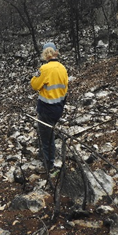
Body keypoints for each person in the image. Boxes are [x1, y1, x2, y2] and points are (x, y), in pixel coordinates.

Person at [30, 42, 68, 172]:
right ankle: (47, 157)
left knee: (46, 138)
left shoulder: (44, 69)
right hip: (58, 108)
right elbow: (65, 89)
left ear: (45, 54)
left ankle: (49, 165)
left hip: (46, 109)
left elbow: (34, 85)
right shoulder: (62, 68)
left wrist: (37, 75)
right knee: (49, 135)